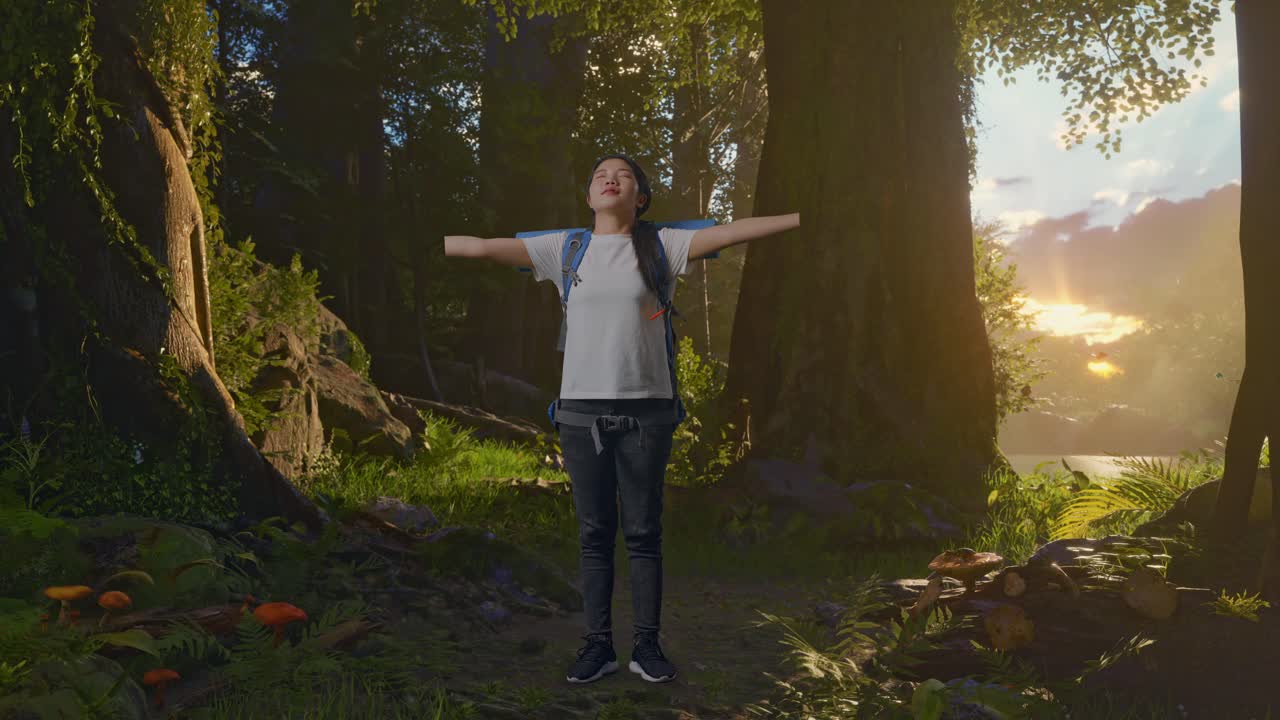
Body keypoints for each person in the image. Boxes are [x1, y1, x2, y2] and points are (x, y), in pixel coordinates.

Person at [444, 154, 800, 685]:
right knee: (593, 534)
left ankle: (647, 648)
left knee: (643, 533)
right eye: (600, 174)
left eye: (625, 174)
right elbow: (480, 246)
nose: (610, 178)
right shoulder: (564, 249)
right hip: (579, 414)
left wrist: (803, 216)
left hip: (648, 413)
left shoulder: (662, 245)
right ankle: (597, 647)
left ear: (641, 198)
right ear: (589, 195)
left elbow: (732, 232)